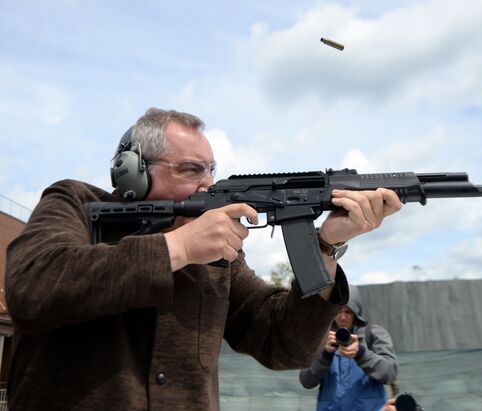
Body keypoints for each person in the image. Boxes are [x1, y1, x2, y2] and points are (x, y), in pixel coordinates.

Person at [5, 108, 402, 410]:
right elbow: (33, 287)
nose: (208, 184)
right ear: (133, 171)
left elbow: (284, 345)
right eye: (191, 169)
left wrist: (325, 247)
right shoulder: (75, 203)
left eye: (211, 170)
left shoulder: (218, 256)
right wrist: (177, 248)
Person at [300, 285, 399, 411]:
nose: (342, 317)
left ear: (356, 311)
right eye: (338, 311)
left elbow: (391, 373)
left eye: (347, 312)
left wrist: (361, 354)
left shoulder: (373, 334)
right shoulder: (322, 338)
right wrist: (325, 356)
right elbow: (306, 381)